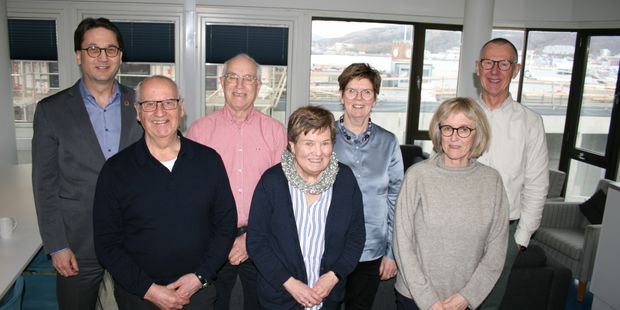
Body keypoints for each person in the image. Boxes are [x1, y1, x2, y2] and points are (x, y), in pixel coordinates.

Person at [93, 75, 237, 309]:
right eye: (149, 104)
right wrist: (148, 290)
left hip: (198, 292)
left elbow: (225, 224)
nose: (160, 112)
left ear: (181, 108)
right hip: (138, 296)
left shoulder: (209, 161)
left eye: (168, 102)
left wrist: (200, 277)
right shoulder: (115, 171)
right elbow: (106, 244)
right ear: (138, 113)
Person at [31, 17, 143, 309]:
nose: (103, 57)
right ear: (79, 55)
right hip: (77, 244)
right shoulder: (51, 111)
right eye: (93, 49)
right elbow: (45, 185)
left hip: (133, 241)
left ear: (120, 56)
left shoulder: (142, 106)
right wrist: (56, 245)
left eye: (111, 49)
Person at [186, 53, 287, 309]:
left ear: (259, 86)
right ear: (222, 82)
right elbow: (192, 196)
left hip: (263, 238)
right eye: (233, 77)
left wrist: (250, 239)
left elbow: (283, 196)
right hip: (211, 241)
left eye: (248, 78)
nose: (240, 85)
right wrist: (223, 239)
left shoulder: (276, 132)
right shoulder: (199, 131)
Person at [393, 97, 509, 310]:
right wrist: (429, 301)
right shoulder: (418, 176)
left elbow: (496, 250)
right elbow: (402, 242)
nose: (454, 137)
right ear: (439, 132)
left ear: (477, 134)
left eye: (464, 129)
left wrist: (466, 296)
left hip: (465, 301)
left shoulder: (492, 181)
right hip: (415, 298)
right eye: (448, 128)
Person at [247, 105, 366, 309]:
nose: (318, 153)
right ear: (292, 146)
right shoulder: (272, 182)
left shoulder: (345, 180)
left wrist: (333, 276)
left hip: (329, 298)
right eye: (309, 143)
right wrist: (291, 284)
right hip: (280, 298)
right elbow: (257, 242)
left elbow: (356, 237)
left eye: (325, 143)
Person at [475, 38, 549, 309]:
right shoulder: (461, 115)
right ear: (477, 67)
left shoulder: (531, 122)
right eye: (488, 62)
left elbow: (537, 185)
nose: (495, 71)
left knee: (489, 305)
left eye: (503, 63)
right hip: (456, 230)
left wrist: (521, 238)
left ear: (515, 70)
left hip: (504, 234)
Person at [332, 63, 404, 309]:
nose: (359, 99)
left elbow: (396, 199)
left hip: (372, 250)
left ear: (375, 98)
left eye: (366, 92)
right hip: (329, 248)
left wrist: (392, 252)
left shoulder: (389, 142)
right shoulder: (323, 138)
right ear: (342, 95)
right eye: (352, 91)